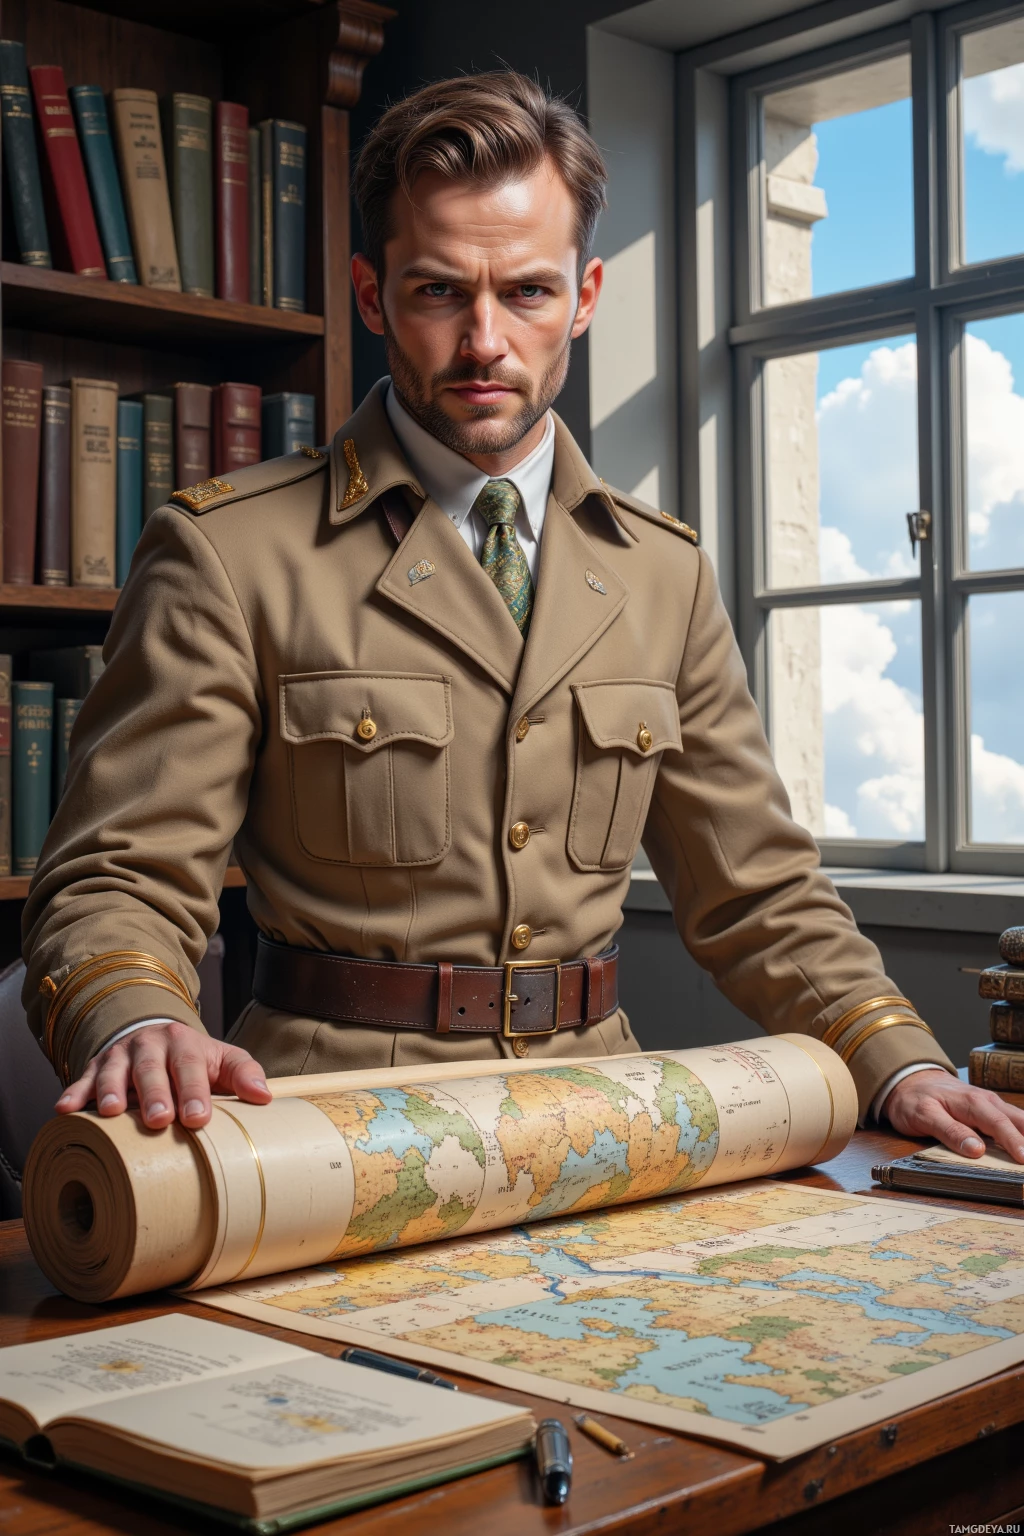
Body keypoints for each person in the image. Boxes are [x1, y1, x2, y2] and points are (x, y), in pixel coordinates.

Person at [22, 71, 1024, 1164]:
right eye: (440, 291)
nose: (486, 340)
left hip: (602, 1127)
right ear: (372, 295)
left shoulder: (661, 572)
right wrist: (139, 1015)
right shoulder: (227, 552)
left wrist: (900, 1059)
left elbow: (760, 889)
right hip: (328, 1135)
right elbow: (117, 877)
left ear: (586, 296)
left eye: (529, 294)